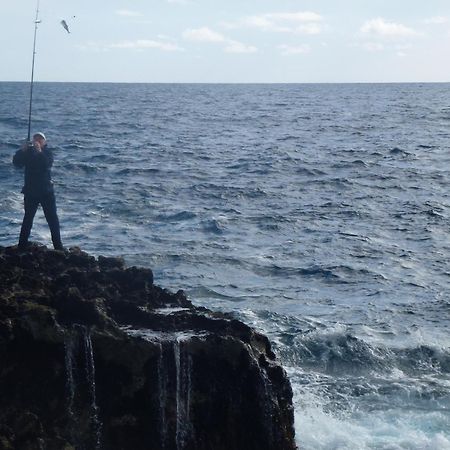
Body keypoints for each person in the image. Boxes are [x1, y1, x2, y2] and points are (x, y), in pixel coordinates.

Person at [13, 132, 64, 250]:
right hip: (31, 192)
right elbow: (17, 163)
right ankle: (22, 245)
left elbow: (46, 164)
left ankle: (58, 247)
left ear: (44, 142)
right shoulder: (28, 153)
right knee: (28, 219)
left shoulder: (47, 152)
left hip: (46, 192)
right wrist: (22, 151)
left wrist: (39, 152)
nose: (37, 141)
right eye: (35, 139)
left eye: (40, 140)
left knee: (52, 220)